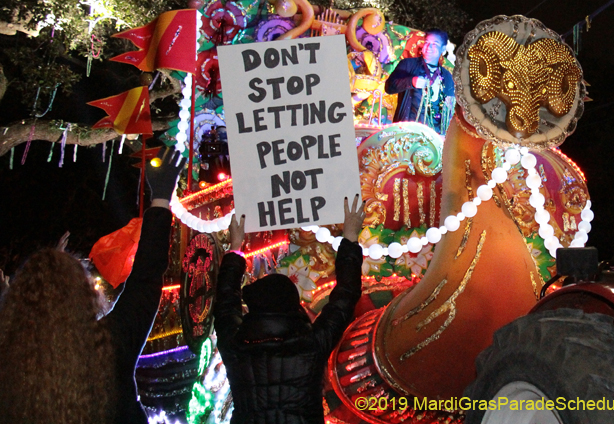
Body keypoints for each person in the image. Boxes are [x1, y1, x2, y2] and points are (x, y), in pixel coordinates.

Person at [0, 147, 185, 424]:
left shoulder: (11, 366)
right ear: (82, 296)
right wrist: (160, 197)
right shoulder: (110, 343)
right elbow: (145, 277)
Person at [214, 195, 366, 424]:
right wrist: (350, 237)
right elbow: (346, 295)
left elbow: (225, 303)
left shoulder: (235, 346)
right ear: (293, 305)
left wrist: (235, 248)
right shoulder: (311, 345)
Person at [385, 29, 455, 134]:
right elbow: (389, 87)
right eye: (427, 42)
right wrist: (411, 82)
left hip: (435, 134)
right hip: (407, 132)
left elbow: (451, 110)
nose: (429, 47)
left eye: (435, 44)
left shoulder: (447, 76)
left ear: (443, 49)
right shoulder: (408, 64)